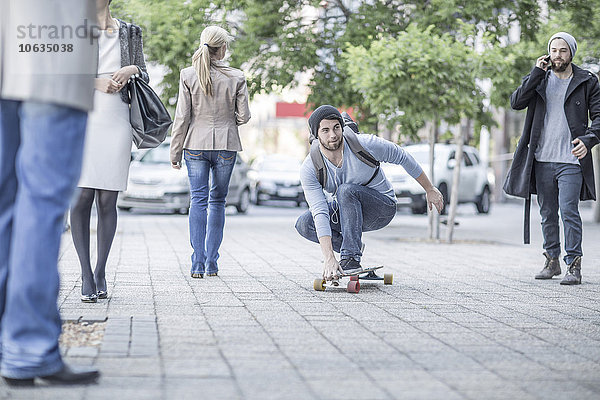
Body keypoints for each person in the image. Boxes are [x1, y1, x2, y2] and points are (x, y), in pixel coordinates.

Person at [0, 0, 100, 385]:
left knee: (5, 199)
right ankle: (28, 346)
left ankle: (13, 339)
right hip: (51, 37)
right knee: (42, 200)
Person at [295, 105, 444, 281]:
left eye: (336, 127)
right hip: (347, 211)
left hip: (382, 208)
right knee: (305, 223)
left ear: (342, 127)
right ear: (315, 134)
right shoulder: (311, 167)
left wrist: (429, 188)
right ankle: (351, 248)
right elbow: (319, 211)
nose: (333, 135)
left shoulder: (364, 144)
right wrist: (329, 258)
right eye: (325, 130)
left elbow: (402, 156)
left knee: (346, 190)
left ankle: (351, 258)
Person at [504, 32, 600, 285]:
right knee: (547, 212)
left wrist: (588, 140)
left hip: (571, 159)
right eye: (554, 50)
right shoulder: (539, 79)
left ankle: (574, 265)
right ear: (549, 53)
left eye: (563, 50)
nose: (558, 55)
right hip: (542, 159)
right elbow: (516, 102)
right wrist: (536, 73)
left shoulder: (587, 81)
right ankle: (552, 261)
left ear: (571, 53)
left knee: (569, 211)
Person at [71, 0, 149, 303]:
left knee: (107, 199)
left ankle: (101, 270)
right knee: (81, 197)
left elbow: (144, 74)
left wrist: (131, 69)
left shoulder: (130, 31)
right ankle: (86, 274)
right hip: (84, 118)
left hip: (117, 120)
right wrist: (95, 82)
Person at [170, 26, 251, 279]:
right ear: (223, 48)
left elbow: (182, 117)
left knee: (198, 200)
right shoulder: (237, 77)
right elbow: (244, 116)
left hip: (194, 145)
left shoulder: (188, 75)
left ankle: (197, 263)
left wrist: (174, 151)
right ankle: (212, 263)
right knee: (218, 202)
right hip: (227, 145)